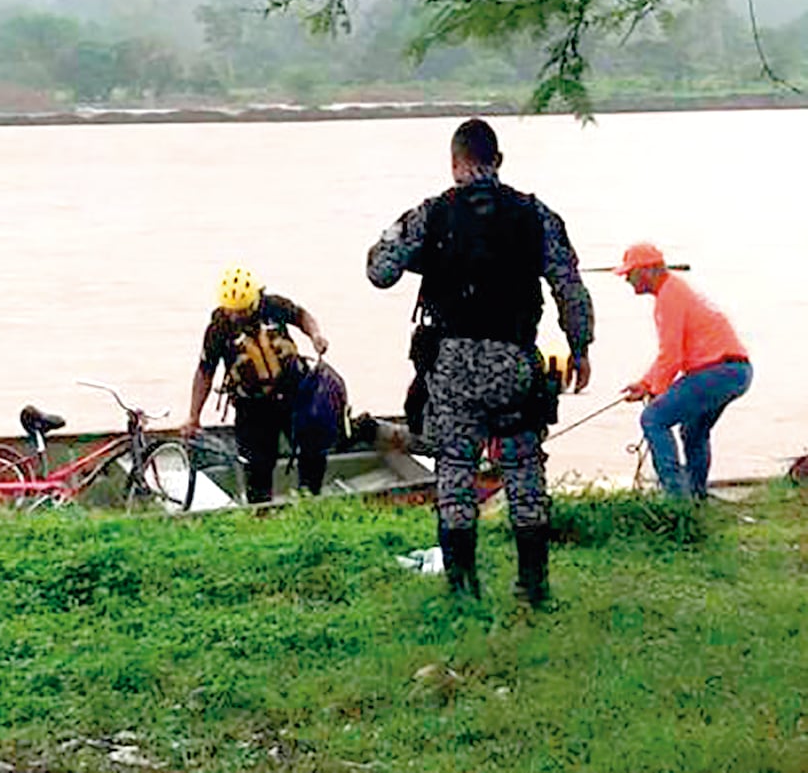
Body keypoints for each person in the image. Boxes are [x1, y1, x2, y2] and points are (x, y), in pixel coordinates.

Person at [366, 118, 594, 606]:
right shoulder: (536, 215)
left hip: (452, 364)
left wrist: (404, 243)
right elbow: (569, 286)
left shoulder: (432, 214)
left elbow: (378, 271)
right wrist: (580, 347)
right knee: (524, 466)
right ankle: (533, 586)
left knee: (454, 469)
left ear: (454, 164)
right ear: (499, 161)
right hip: (513, 360)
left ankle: (463, 589)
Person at [181, 266, 332, 504]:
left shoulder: (273, 306)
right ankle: (260, 510)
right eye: (232, 311)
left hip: (295, 395)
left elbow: (302, 316)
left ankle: (311, 499)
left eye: (242, 311)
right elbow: (204, 372)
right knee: (257, 464)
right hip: (253, 407)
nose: (237, 316)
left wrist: (315, 336)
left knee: (313, 449)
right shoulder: (219, 328)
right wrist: (193, 416)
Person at [616, 243, 752, 498]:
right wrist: (646, 384)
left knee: (654, 419)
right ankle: (696, 497)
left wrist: (656, 391)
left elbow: (671, 356)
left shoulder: (670, 297)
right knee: (693, 431)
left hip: (718, 372)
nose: (626, 279)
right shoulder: (674, 290)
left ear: (649, 271)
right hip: (737, 372)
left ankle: (677, 499)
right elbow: (670, 356)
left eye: (630, 272)